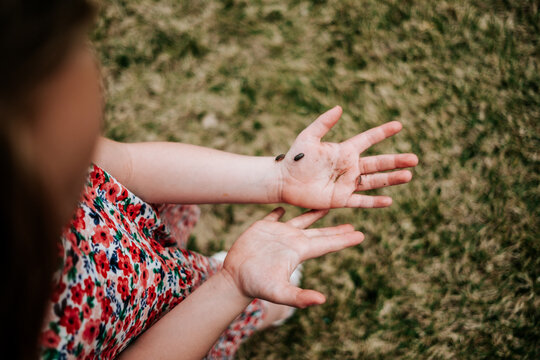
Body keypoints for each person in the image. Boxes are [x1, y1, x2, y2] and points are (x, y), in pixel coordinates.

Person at [1, 1, 419, 359]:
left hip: (140, 256)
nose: (95, 73)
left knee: (191, 271)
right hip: (160, 328)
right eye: (73, 57)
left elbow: (125, 164)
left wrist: (277, 177)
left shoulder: (39, 156)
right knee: (229, 305)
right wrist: (233, 285)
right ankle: (251, 308)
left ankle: (212, 278)